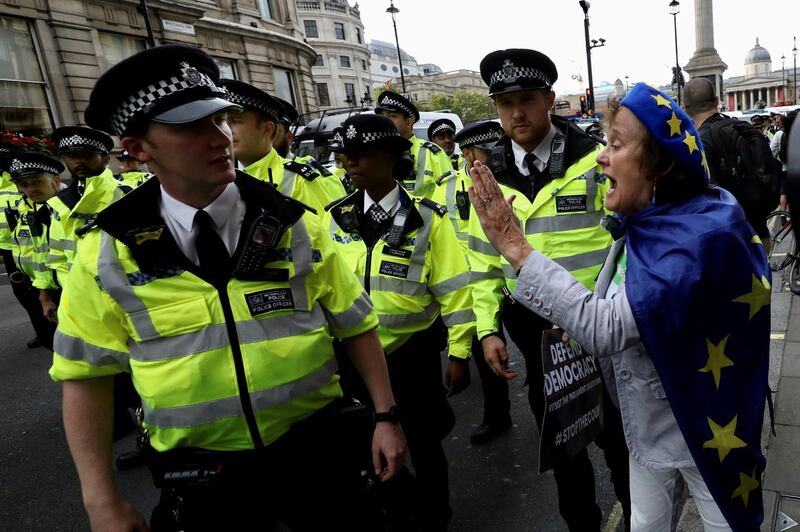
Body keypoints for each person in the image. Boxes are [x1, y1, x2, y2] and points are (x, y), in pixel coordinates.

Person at [51, 43, 404, 531]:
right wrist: (100, 499)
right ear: (138, 149)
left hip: (318, 456)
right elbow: (84, 374)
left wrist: (386, 417)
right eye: (190, 127)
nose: (218, 138)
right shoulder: (107, 251)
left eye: (219, 120)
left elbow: (356, 323)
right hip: (204, 479)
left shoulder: (291, 222)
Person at [470, 82, 770, 532]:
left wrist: (516, 247)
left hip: (703, 430)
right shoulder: (648, 220)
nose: (601, 158)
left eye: (615, 144)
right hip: (646, 426)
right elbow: (620, 301)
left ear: (662, 164)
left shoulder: (697, 236)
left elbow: (608, 328)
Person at [468, 48, 630, 531]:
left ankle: (640, 518)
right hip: (536, 336)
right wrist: (486, 329)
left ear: (549, 100)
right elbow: (480, 261)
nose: (516, 112)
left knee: (620, 444)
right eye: (504, 103)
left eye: (527, 99)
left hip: (596, 325)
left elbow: (627, 241)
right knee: (563, 448)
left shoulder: (593, 158)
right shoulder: (483, 173)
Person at [325, 113, 474, 530]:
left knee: (426, 446)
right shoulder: (331, 219)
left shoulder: (428, 219)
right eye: (345, 154)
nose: (349, 162)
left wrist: (460, 353)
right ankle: (395, 508)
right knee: (365, 445)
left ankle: (434, 517)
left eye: (361, 153)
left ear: (390, 157)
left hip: (412, 357)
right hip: (350, 360)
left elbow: (456, 291)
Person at [433, 120, 513, 444]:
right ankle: (497, 415)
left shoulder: (509, 180)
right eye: (488, 150)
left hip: (513, 281)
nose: (497, 155)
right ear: (467, 153)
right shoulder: (446, 187)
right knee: (487, 347)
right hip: (472, 281)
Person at [221, 79, 343, 213]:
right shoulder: (219, 181)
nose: (226, 129)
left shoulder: (299, 181)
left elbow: (325, 232)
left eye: (235, 121)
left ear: (267, 129)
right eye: (221, 121)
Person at [683, 77, 780, 246]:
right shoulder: (743, 128)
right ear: (716, 100)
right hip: (759, 235)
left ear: (684, 109)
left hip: (727, 243)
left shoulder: (697, 144)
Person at [46, 126, 128, 285]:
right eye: (72, 155)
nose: (80, 161)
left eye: (88, 155)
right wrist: (71, 291)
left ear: (106, 159)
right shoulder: (60, 202)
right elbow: (58, 255)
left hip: (122, 289)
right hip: (79, 294)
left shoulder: (127, 194)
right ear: (64, 158)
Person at [4, 152, 62, 350]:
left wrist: (45, 295)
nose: (30, 189)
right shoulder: (26, 208)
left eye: (37, 182)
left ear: (55, 180)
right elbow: (37, 252)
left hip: (64, 290)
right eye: (24, 185)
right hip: (40, 285)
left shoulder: (65, 209)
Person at [0, 142, 41, 348]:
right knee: (22, 292)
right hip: (9, 248)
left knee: (41, 288)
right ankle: (41, 331)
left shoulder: (21, 180)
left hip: (32, 244)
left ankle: (55, 328)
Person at [375, 90, 452, 198]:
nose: (385, 122)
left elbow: (451, 193)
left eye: (391, 116)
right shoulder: (376, 154)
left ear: (408, 122)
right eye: (382, 117)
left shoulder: (433, 154)